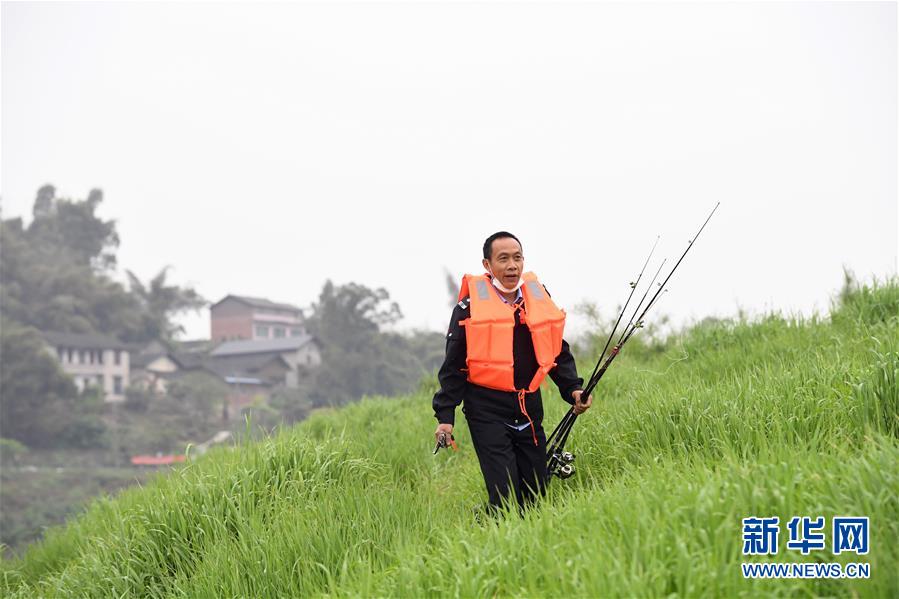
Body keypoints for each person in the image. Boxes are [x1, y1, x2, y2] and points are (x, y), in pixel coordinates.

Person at [432, 231, 592, 513]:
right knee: (505, 496)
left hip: (529, 409)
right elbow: (453, 366)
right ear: (487, 265)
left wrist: (573, 390)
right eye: (503, 259)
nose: (512, 266)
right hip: (486, 411)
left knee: (535, 498)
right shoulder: (467, 309)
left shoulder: (537, 299)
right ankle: (493, 531)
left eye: (517, 258)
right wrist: (445, 417)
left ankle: (516, 538)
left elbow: (556, 350)